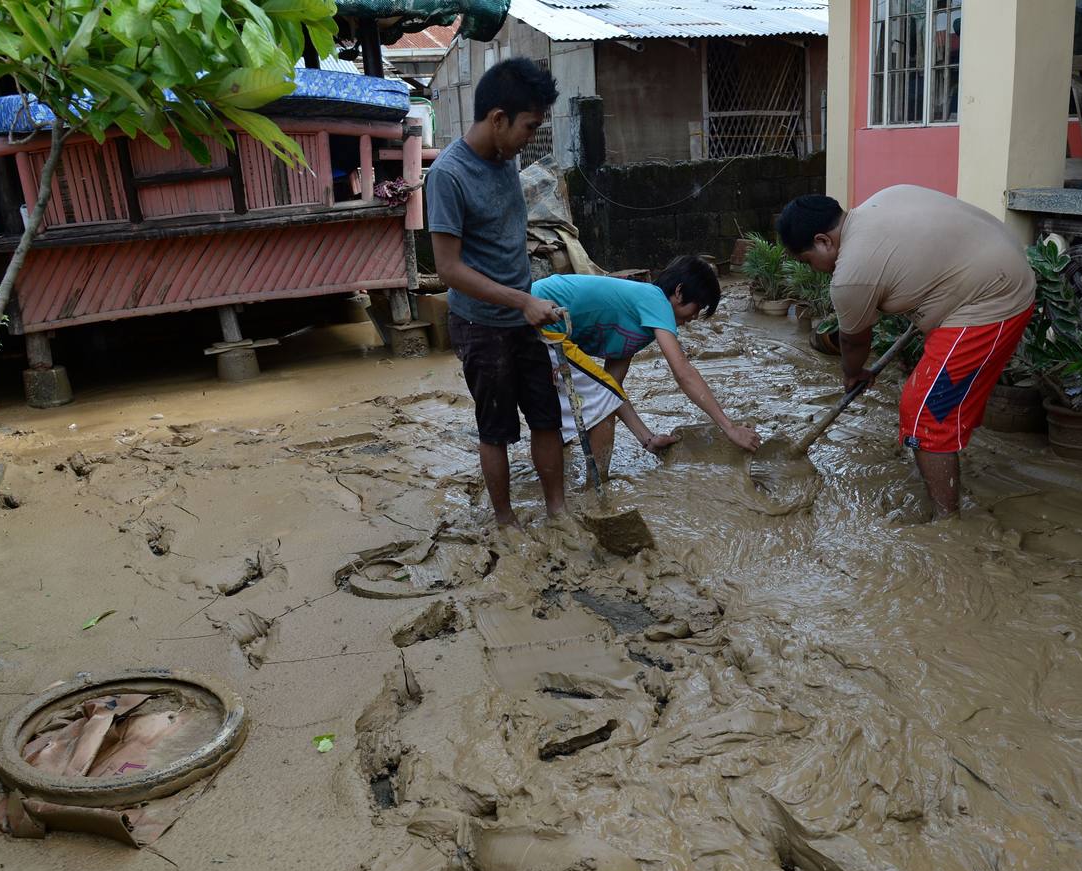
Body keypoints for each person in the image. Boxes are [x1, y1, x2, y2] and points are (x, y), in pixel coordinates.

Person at [776, 188, 1034, 519]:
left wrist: (853, 374)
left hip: (992, 299)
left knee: (924, 410)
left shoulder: (851, 274)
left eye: (807, 261)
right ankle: (934, 463)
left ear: (824, 241)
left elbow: (854, 342)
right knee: (937, 396)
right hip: (997, 268)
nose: (812, 269)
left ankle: (947, 522)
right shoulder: (883, 198)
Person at [426, 59, 564, 528]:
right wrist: (522, 301)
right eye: (530, 126)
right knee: (497, 430)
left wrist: (531, 298)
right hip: (480, 325)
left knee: (547, 419)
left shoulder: (509, 161)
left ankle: (557, 511)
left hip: (524, 319)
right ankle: (505, 522)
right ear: (498, 118)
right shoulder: (447, 175)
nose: (533, 136)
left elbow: (508, 237)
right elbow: (449, 269)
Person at [533, 257, 761, 474]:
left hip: (543, 321)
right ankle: (596, 491)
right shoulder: (655, 299)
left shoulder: (636, 320)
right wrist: (729, 428)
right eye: (698, 306)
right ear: (679, 292)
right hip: (541, 316)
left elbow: (613, 389)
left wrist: (648, 440)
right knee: (601, 404)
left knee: (600, 397)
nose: (695, 316)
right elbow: (683, 372)